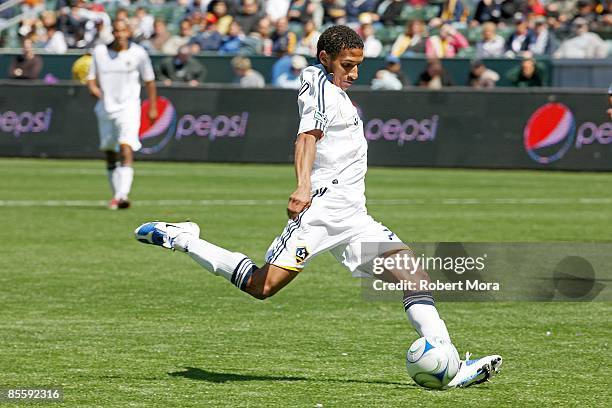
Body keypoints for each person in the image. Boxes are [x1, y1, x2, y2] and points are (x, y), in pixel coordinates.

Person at [134, 25, 502, 388]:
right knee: (262, 287)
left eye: (359, 65)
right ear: (326, 59)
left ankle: (449, 364)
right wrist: (302, 186)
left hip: (355, 217)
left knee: (414, 276)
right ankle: (184, 238)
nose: (355, 73)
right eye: (347, 65)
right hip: (321, 212)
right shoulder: (322, 94)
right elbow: (307, 138)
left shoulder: (325, 83)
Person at [87, 19, 157, 210]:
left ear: (129, 32)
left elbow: (149, 81)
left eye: (123, 31)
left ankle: (122, 195)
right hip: (106, 108)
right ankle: (116, 194)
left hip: (129, 107)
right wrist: (93, 89)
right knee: (110, 152)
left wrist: (152, 106)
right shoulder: (100, 52)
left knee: (126, 147)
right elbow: (91, 78)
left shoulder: (139, 53)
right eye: (116, 31)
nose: (119, 34)